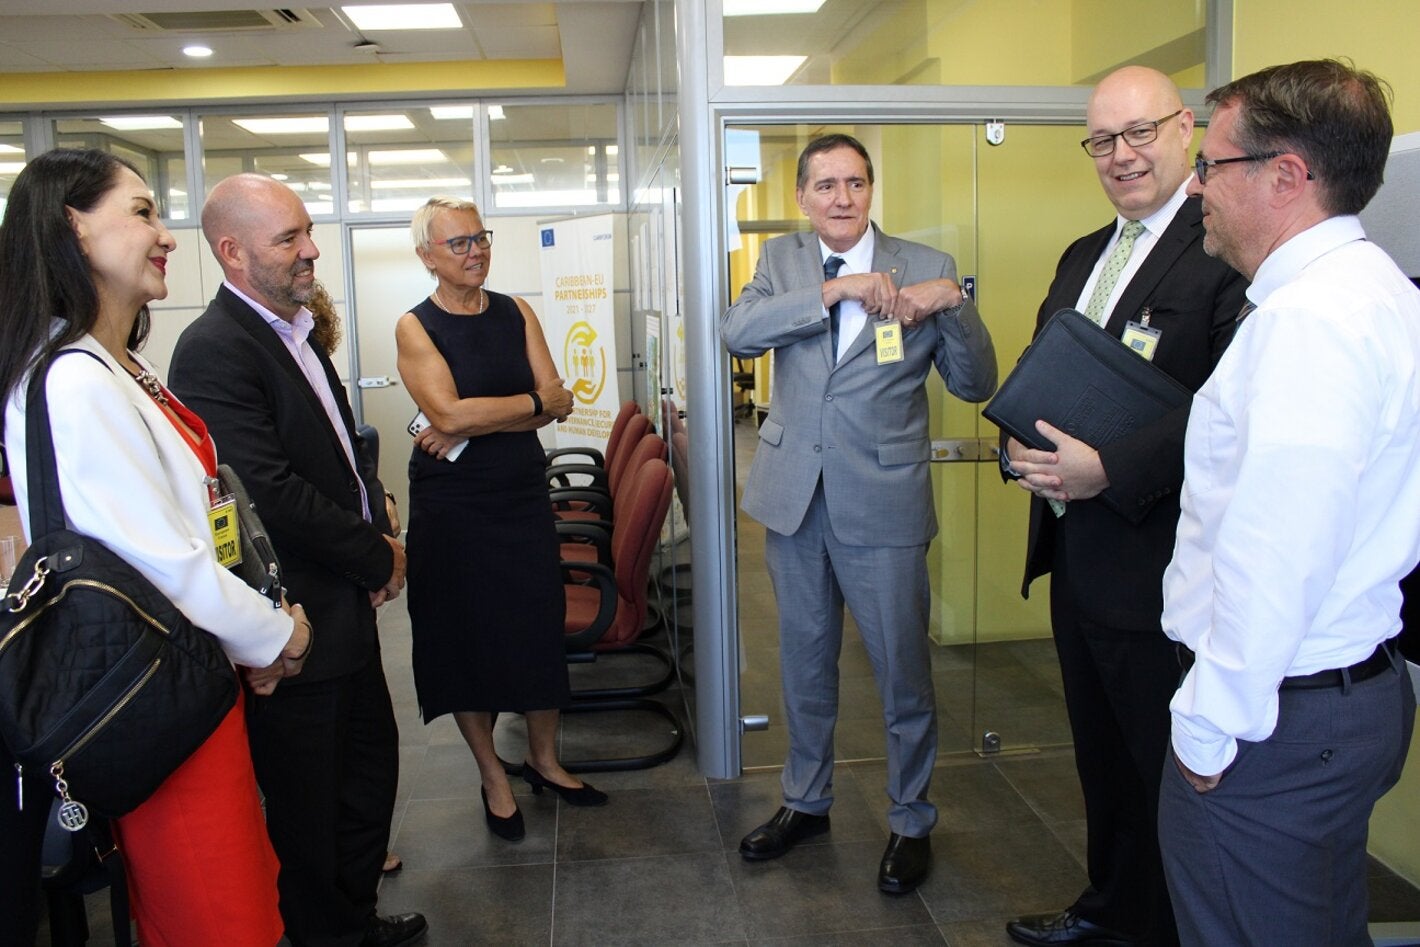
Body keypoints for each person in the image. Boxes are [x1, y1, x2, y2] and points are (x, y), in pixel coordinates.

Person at [0, 148, 311, 946]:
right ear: (73, 227)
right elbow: (161, 561)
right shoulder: (72, 380)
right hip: (158, 700)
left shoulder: (114, 365)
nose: (166, 233)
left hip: (191, 681)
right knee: (220, 916)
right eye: (140, 212)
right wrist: (279, 635)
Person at [1158, 59, 1420, 945]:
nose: (1197, 185)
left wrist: (1206, 726)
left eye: (1213, 165)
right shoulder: (1374, 290)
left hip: (1275, 719)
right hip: (1333, 702)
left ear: (1287, 175)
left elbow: (1278, 552)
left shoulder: (1312, 321)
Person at [1000, 67, 1247, 947]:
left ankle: (1175, 928)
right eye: (1103, 140)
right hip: (1077, 561)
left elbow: (1224, 407)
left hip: (1159, 570)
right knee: (1102, 760)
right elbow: (1038, 374)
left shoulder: (1221, 247)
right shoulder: (1082, 257)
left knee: (1163, 773)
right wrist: (1014, 441)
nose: (1122, 156)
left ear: (1187, 127)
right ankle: (1110, 909)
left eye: (1140, 132)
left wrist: (1111, 467)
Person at [721, 134, 997, 894]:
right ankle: (806, 801)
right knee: (804, 666)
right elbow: (736, 333)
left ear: (871, 189)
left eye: (855, 182)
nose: (842, 197)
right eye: (826, 185)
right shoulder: (781, 262)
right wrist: (833, 293)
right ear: (804, 197)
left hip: (884, 499)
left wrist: (957, 303)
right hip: (794, 497)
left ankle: (911, 818)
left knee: (902, 671)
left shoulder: (927, 265)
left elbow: (976, 384)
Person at [167, 173, 425, 947]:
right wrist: (376, 554)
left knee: (365, 780)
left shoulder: (296, 328)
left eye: (307, 230)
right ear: (232, 252)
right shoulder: (213, 348)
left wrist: (371, 495)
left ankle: (353, 920)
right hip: (296, 618)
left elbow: (334, 447)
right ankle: (326, 934)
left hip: (341, 604)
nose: (312, 249)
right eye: (291, 238)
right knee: (312, 803)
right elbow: (267, 492)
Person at [394, 196, 600, 844]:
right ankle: (493, 774)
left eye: (480, 237)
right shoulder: (414, 326)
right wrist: (526, 405)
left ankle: (543, 758)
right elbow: (451, 418)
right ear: (427, 255)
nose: (475, 250)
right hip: (452, 507)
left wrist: (494, 410)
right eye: (458, 243)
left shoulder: (516, 311)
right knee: (467, 639)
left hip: (517, 496)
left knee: (534, 627)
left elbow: (558, 400)